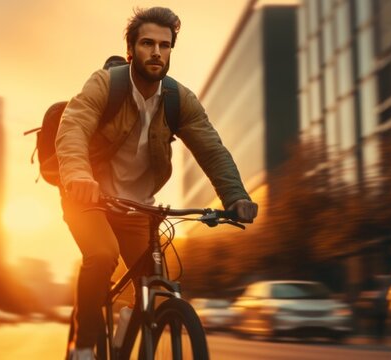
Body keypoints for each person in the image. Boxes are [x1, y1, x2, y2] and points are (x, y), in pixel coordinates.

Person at [56, 7, 258, 359]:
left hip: (138, 206)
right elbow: (73, 127)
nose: (157, 52)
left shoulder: (179, 99)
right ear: (132, 49)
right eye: (148, 43)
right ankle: (85, 348)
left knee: (151, 282)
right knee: (102, 255)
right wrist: (78, 176)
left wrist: (235, 197)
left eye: (165, 46)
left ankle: (124, 336)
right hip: (89, 196)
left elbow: (211, 148)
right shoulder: (106, 84)